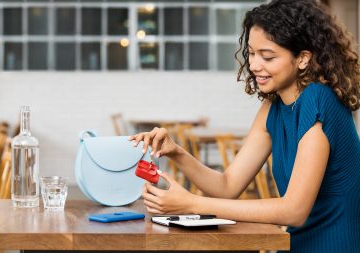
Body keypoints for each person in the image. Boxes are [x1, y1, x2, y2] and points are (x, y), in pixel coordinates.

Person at [129, 0, 360, 252]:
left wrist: (192, 204)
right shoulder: (273, 107)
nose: (254, 65)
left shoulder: (318, 99)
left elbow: (294, 210)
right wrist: (176, 152)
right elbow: (227, 186)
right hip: (293, 245)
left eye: (267, 56)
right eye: (251, 53)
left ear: (303, 58)